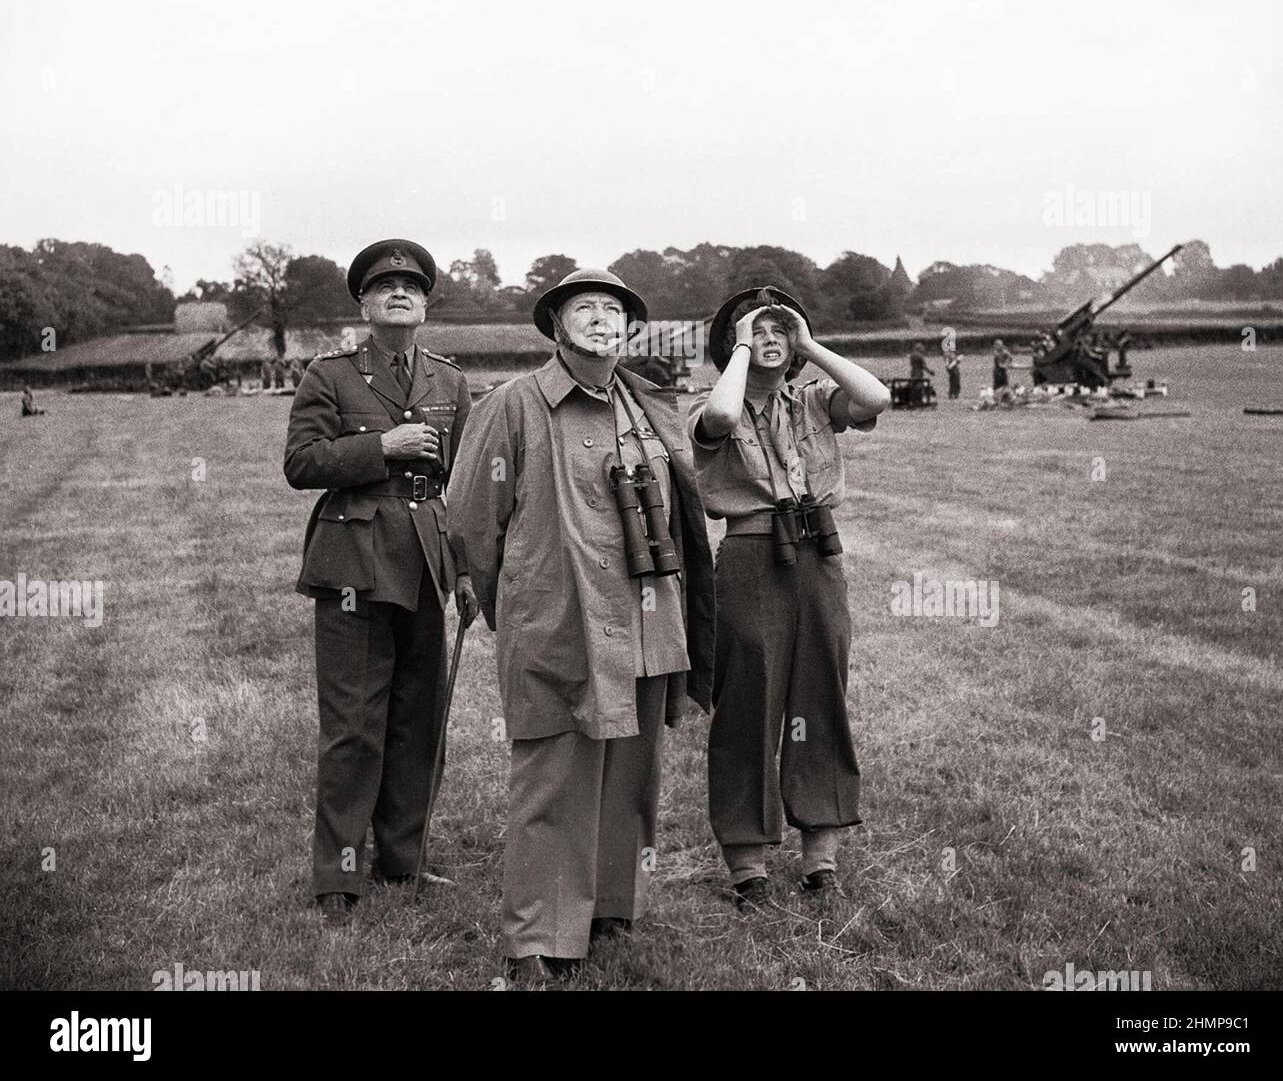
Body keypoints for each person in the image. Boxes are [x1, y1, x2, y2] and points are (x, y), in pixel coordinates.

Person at [447, 268, 715, 983]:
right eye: (583, 308)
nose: (601, 319)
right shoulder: (512, 405)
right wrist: (523, 609)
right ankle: (538, 936)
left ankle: (609, 906)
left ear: (629, 328)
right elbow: (472, 523)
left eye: (613, 309)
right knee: (553, 773)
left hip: (650, 618)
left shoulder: (648, 404)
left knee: (630, 768)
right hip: (558, 620)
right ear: (555, 325)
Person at [284, 240, 478, 925]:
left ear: (425, 305)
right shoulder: (328, 374)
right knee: (354, 724)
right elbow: (302, 463)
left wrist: (469, 566)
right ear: (364, 304)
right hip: (352, 562)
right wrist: (380, 449)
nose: (399, 293)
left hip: (426, 559)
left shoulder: (450, 381)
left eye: (411, 287)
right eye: (384, 285)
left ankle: (404, 858)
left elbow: (466, 481)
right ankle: (339, 872)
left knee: (419, 717)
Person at [690, 287, 890, 909]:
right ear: (731, 345)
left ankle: (820, 853)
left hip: (818, 559)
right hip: (750, 557)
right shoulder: (711, 402)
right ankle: (747, 857)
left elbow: (876, 396)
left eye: (781, 328)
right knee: (748, 699)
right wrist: (745, 348)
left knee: (820, 694)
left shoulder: (811, 402)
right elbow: (722, 422)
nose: (770, 336)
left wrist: (808, 343)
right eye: (756, 329)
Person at [908, 341, 934, 408]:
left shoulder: (912, 355)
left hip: (913, 372)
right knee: (919, 387)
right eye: (922, 348)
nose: (923, 350)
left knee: (913, 387)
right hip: (919, 373)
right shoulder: (920, 356)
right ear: (919, 348)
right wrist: (930, 372)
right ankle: (918, 401)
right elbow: (924, 366)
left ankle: (913, 401)